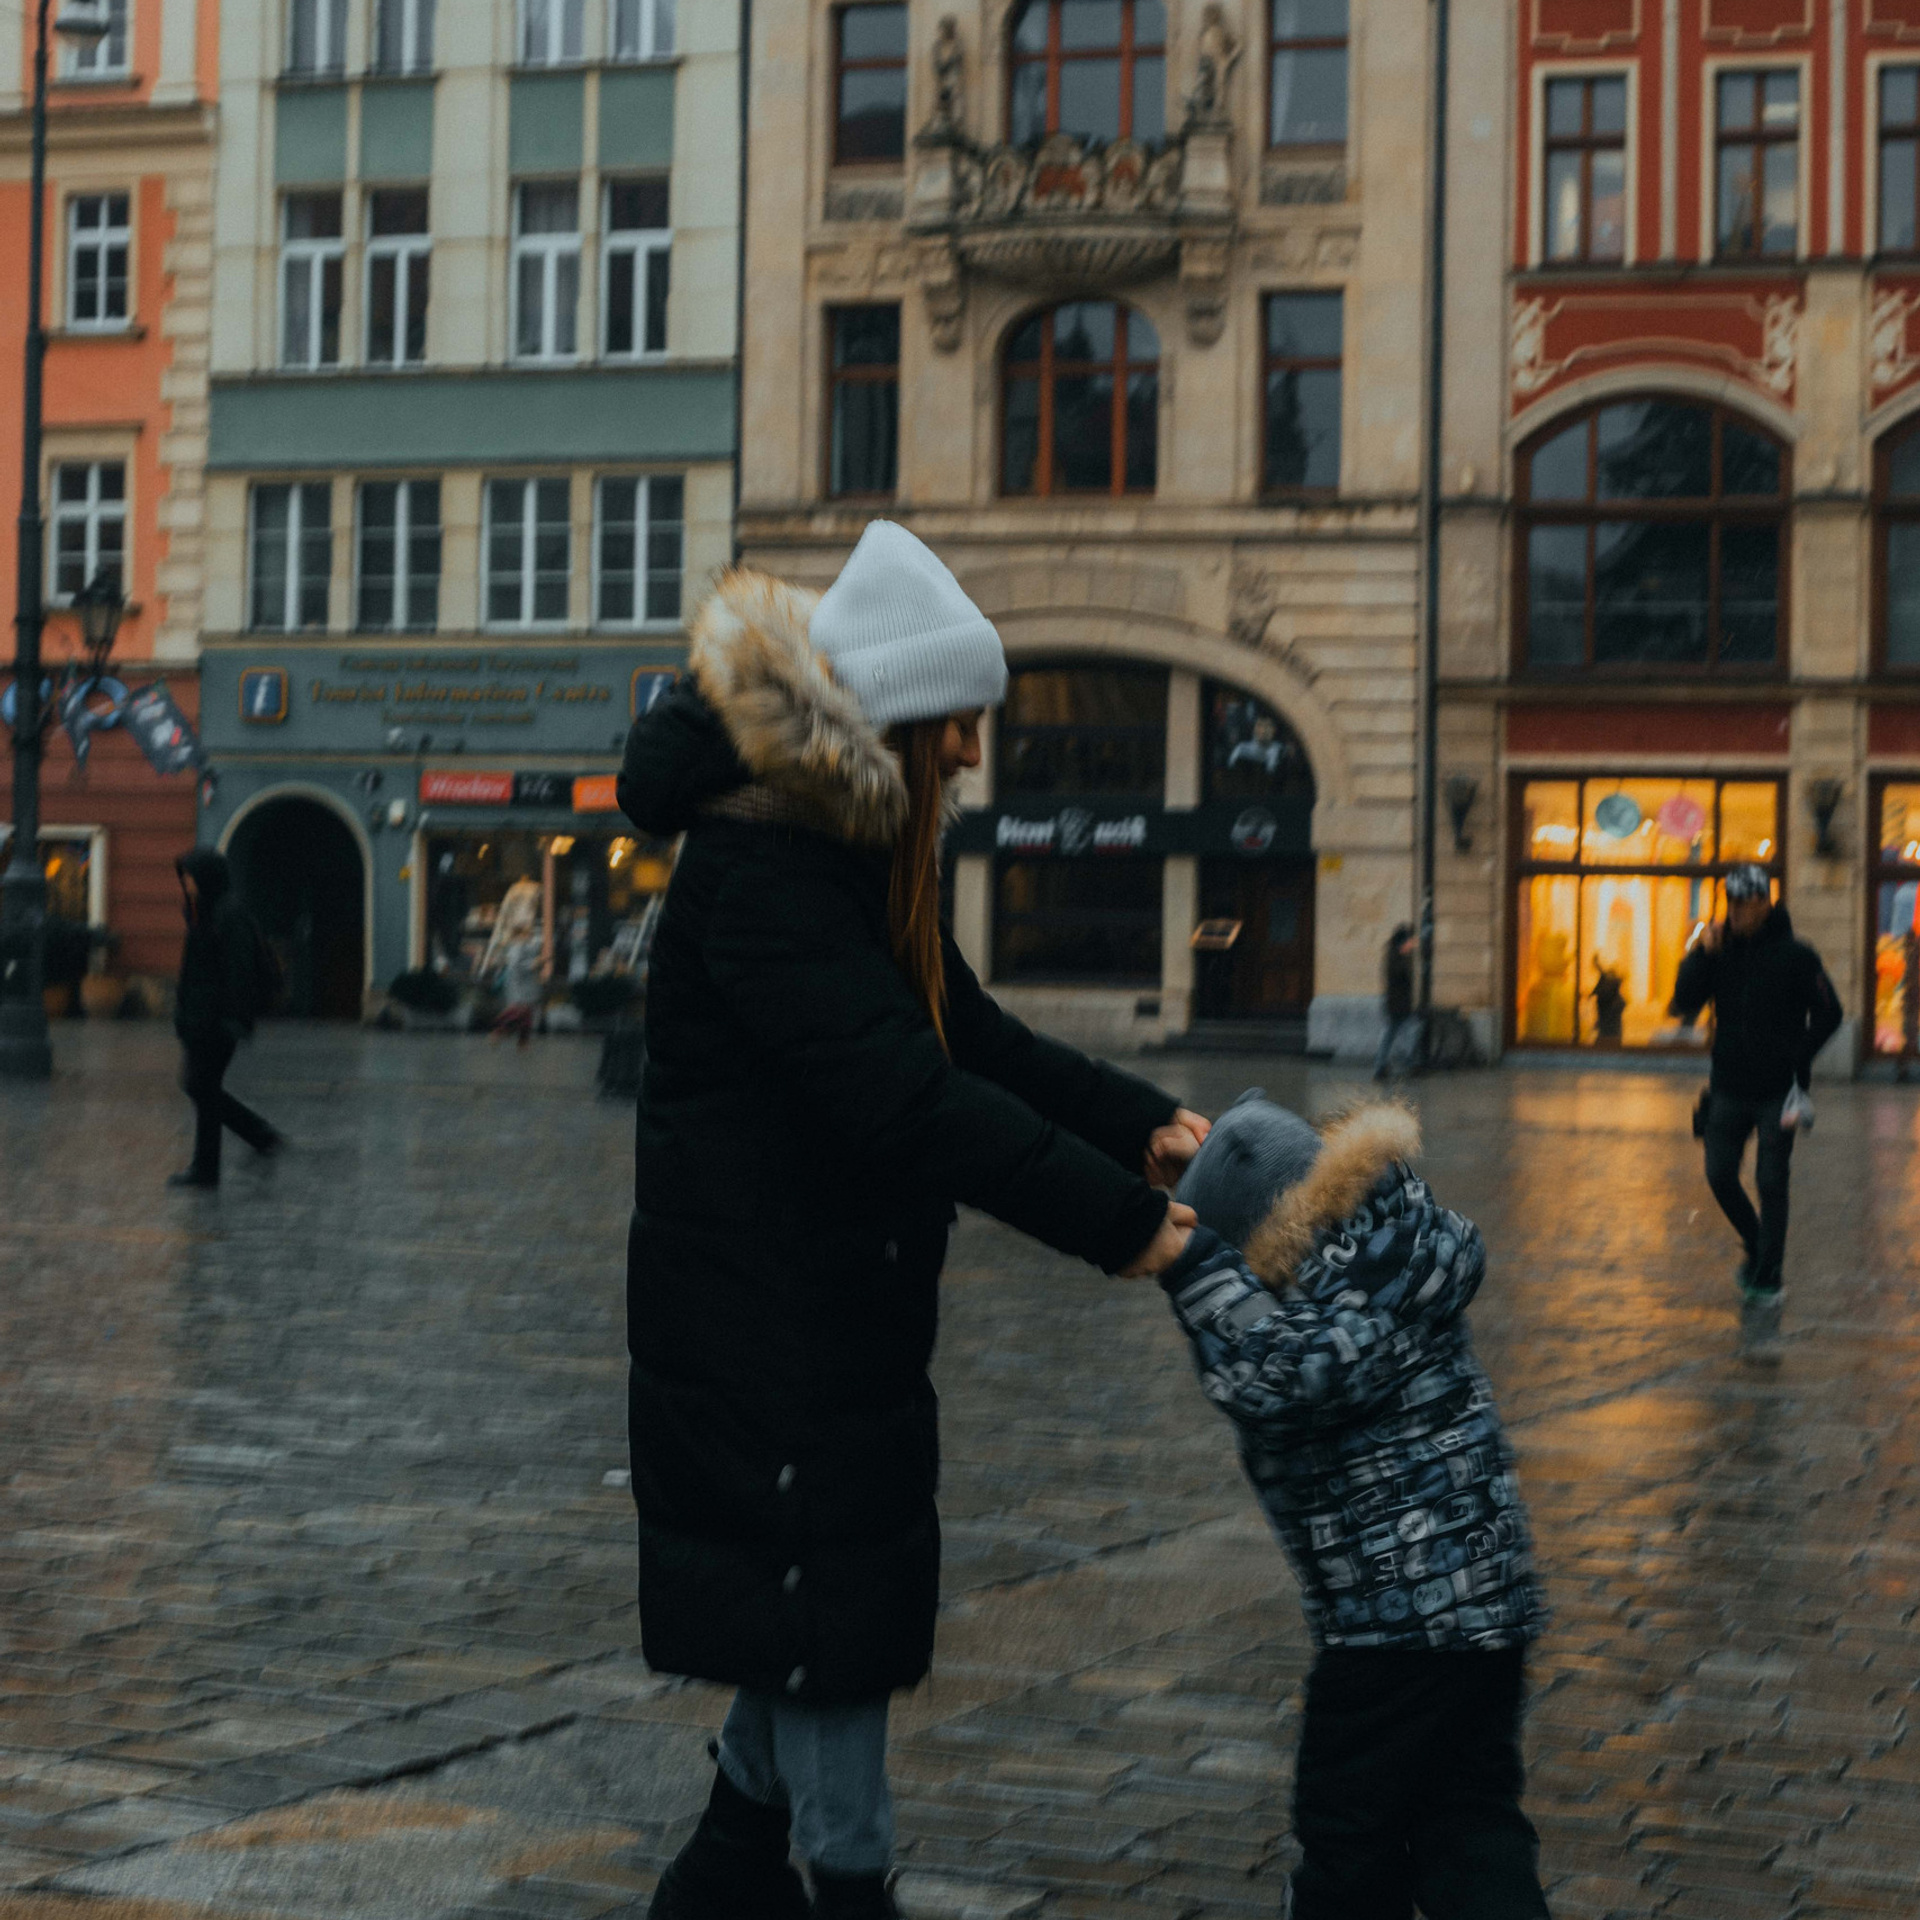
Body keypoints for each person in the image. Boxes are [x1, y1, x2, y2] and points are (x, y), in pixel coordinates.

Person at [617, 520, 1208, 1920]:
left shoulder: (837, 854)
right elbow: (907, 1100)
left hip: (822, 1319)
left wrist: (1141, 1125)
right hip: (767, 1334)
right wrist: (1125, 1226)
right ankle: (853, 1892)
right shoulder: (767, 873)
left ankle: (722, 1884)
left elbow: (970, 1038)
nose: (972, 754)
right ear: (892, 719)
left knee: (810, 1638)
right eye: (958, 721)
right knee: (831, 1638)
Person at [1159, 1091, 1549, 1920]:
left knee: (1349, 1839)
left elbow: (1273, 1374)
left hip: (1390, 1631)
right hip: (1489, 1612)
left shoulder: (1306, 1329)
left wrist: (1187, 1262)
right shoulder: (1394, 1251)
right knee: (1472, 1820)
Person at [1669, 863, 1841, 1327]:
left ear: (1766, 903)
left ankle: (1768, 1275)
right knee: (1719, 1173)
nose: (1740, 911)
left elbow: (1831, 1013)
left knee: (1771, 1181)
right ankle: (1756, 1241)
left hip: (1776, 1093)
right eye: (1733, 903)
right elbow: (1683, 1001)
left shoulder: (1796, 955)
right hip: (1727, 1086)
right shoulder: (1720, 953)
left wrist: (1799, 1057)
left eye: (1748, 902)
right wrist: (1700, 954)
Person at [169, 849, 281, 1190]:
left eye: (189, 876)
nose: (185, 883)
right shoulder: (205, 912)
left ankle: (219, 1160)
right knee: (203, 1088)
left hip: (217, 1022)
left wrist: (234, 1017)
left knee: (200, 1086)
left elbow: (240, 971)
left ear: (206, 877)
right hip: (201, 1020)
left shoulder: (230, 914)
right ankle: (227, 1155)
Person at [1373, 923, 1419, 1080]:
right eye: (1409, 942)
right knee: (1409, 1031)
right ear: (1402, 943)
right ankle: (1405, 1062)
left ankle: (1383, 1065)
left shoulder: (1396, 956)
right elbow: (1402, 980)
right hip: (1397, 1005)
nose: (1412, 945)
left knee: (1391, 1034)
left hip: (1397, 1004)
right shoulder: (1397, 959)